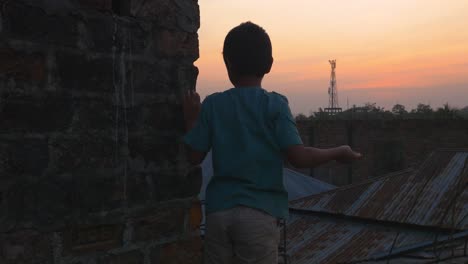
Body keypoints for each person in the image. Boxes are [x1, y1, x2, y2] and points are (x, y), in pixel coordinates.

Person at [183, 21, 362, 264]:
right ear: (269, 65)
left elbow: (193, 157)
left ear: (227, 63)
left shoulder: (213, 104)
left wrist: (191, 121)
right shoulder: (275, 105)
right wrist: (338, 151)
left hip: (217, 214)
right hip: (259, 215)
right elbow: (299, 157)